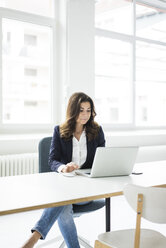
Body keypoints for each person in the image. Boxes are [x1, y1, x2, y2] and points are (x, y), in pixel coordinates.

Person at [22, 92, 105, 248]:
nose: (85, 114)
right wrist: (63, 168)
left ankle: (34, 238)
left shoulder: (97, 131)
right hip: (64, 186)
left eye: (88, 110)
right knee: (64, 205)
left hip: (86, 189)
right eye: (81, 110)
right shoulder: (59, 131)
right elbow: (52, 160)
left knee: (61, 200)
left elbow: (103, 160)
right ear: (73, 110)